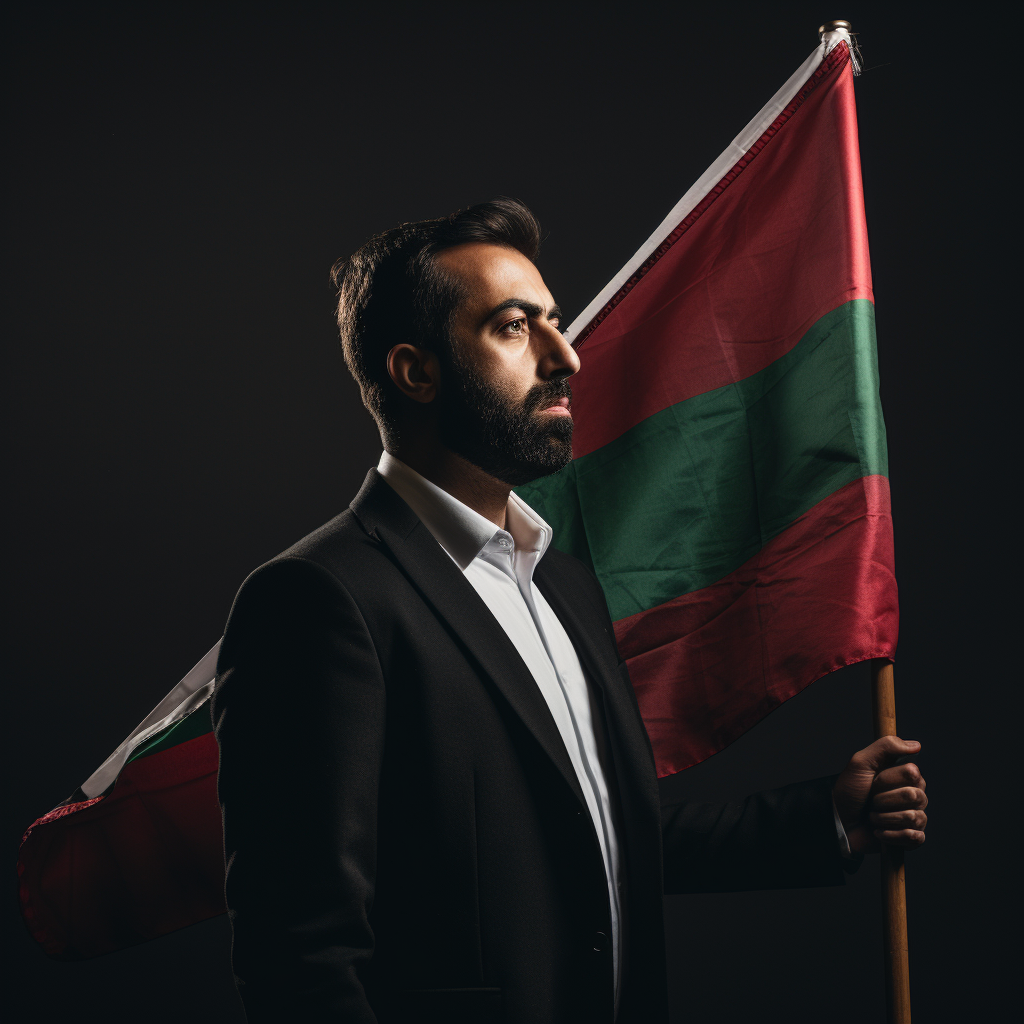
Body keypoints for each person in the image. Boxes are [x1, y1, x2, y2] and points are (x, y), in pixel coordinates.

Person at [210, 198, 927, 1024]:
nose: (567, 357)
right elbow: (297, 958)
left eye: (555, 322)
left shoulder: (564, 586)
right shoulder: (316, 601)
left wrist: (824, 819)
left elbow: (600, 836)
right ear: (416, 371)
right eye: (516, 328)